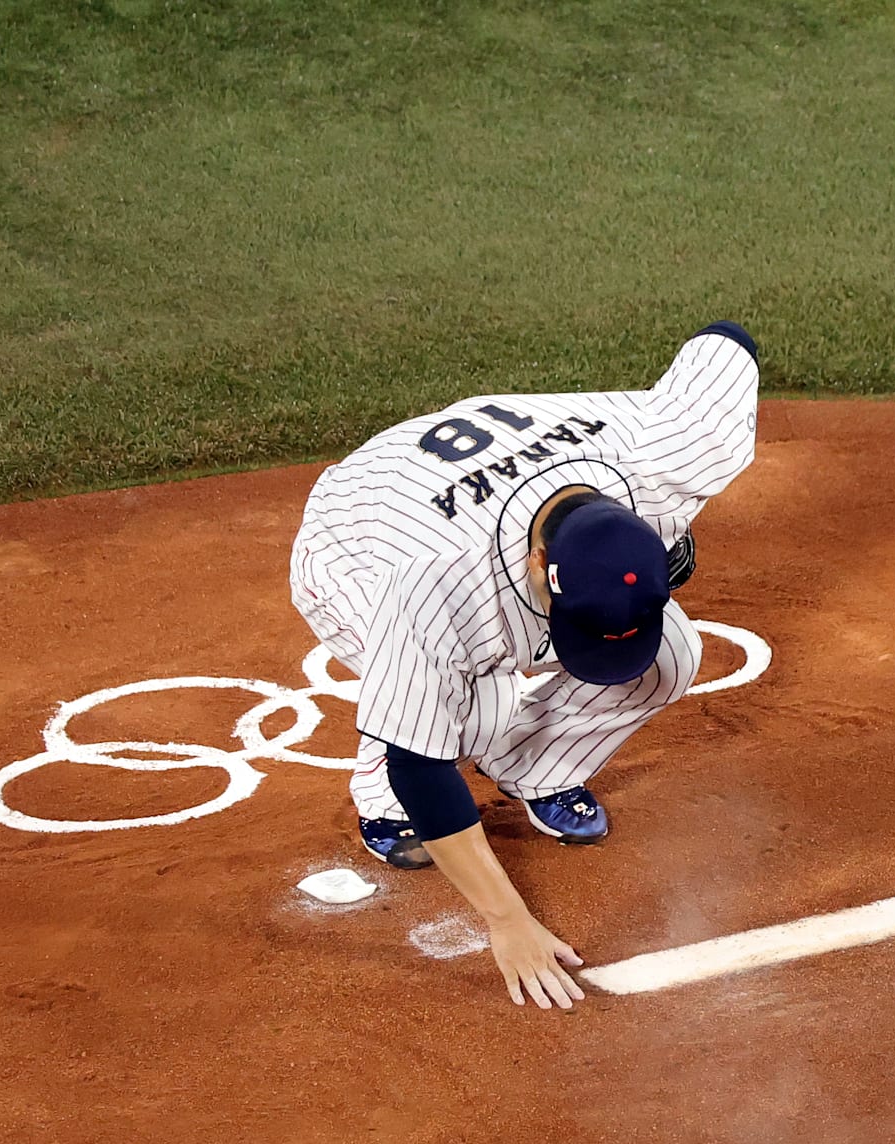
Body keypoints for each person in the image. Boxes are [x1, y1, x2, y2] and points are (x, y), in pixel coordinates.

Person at [288, 321, 759, 1010]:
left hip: (514, 479)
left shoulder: (670, 454)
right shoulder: (434, 583)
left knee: (671, 655)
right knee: (470, 706)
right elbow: (419, 765)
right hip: (359, 538)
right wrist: (508, 923)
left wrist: (674, 537)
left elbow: (726, 344)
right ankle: (379, 809)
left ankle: (538, 770)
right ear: (540, 565)